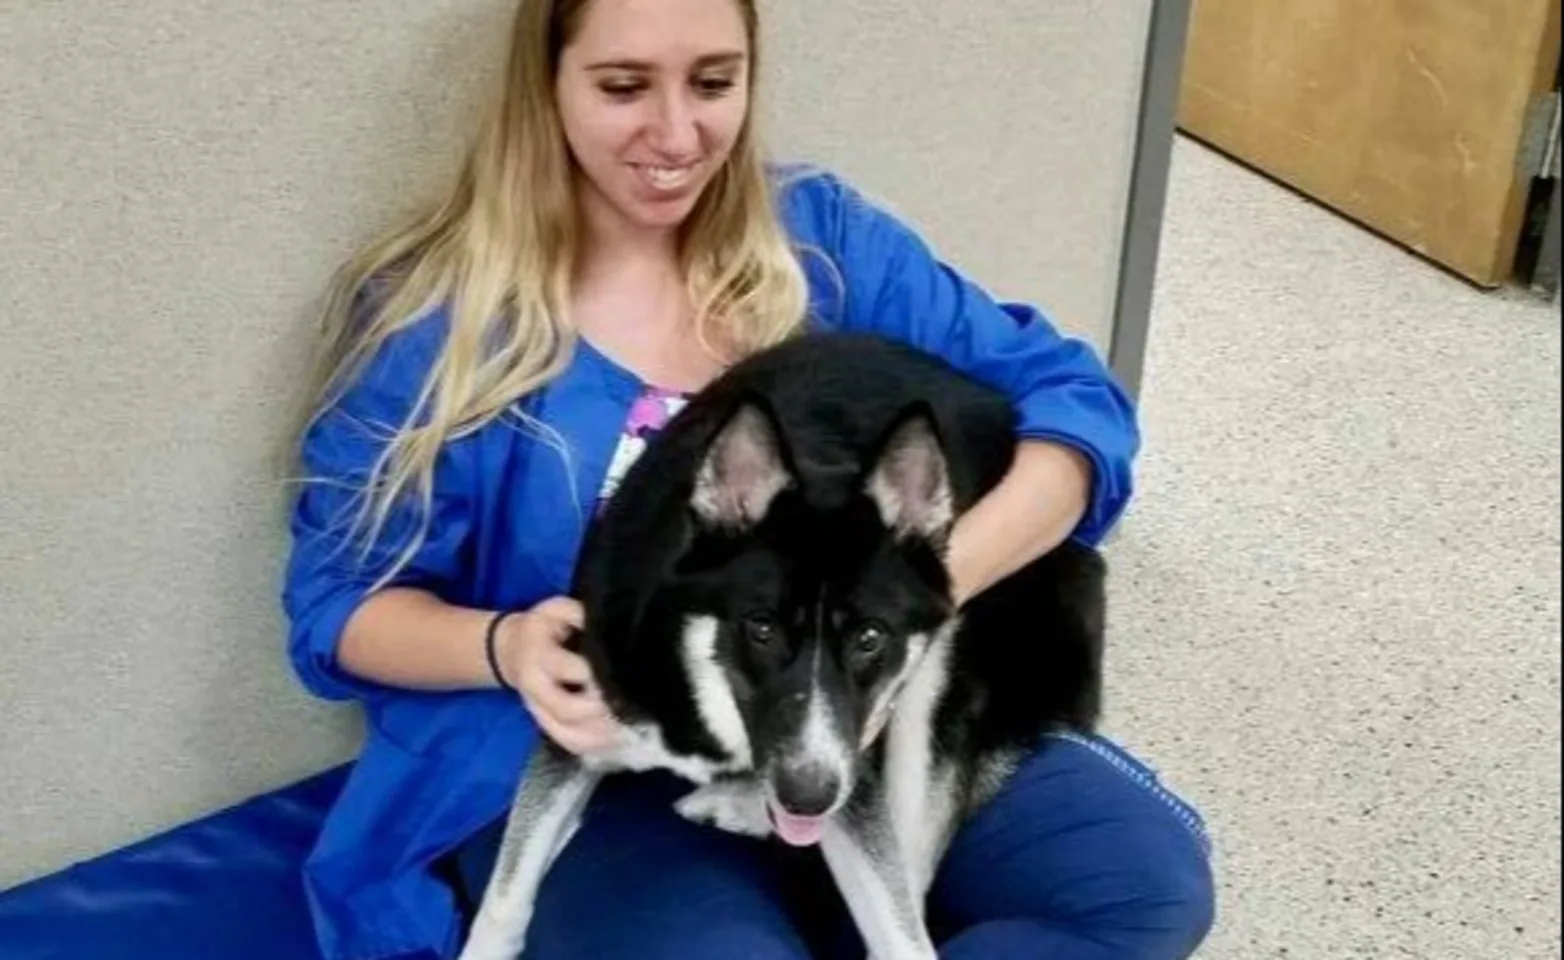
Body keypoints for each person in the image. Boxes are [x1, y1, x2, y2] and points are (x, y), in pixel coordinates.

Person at [281, 0, 1215, 957]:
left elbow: (1076, 406)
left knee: (1141, 885)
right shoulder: (435, 324)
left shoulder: (820, 238)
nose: (678, 134)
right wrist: (506, 645)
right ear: (545, 83)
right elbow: (336, 610)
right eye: (624, 86)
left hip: (854, 716)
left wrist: (916, 596)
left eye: (714, 82)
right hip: (590, 762)